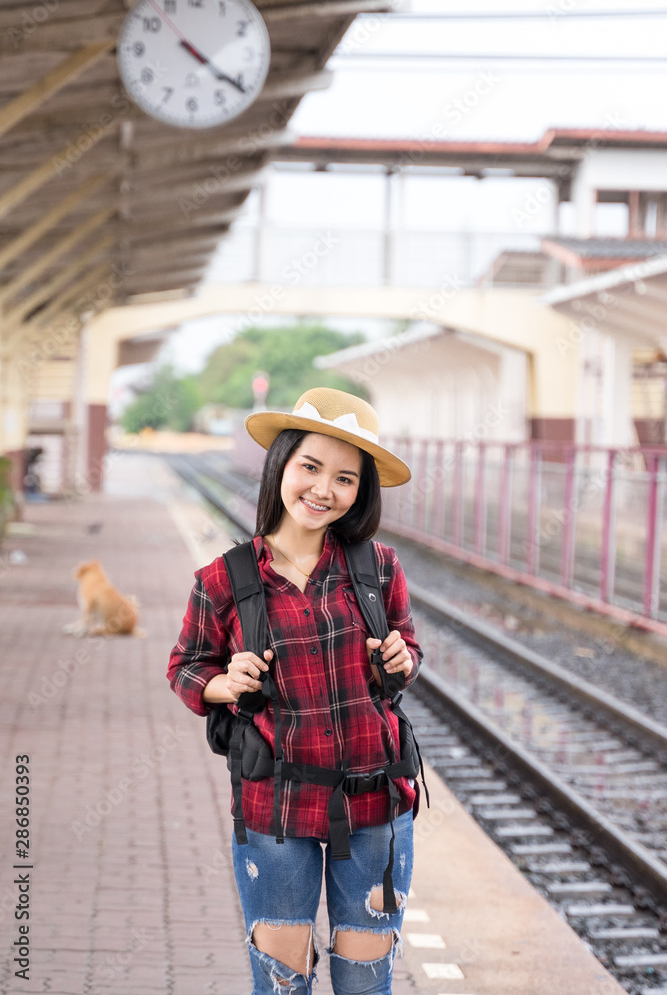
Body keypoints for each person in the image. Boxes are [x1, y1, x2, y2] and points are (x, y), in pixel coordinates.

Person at [168, 387, 423, 995]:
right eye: (310, 467)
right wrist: (221, 684)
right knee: (284, 984)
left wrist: (401, 660)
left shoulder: (378, 567)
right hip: (274, 811)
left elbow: (409, 648)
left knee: (365, 983)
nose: (323, 490)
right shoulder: (223, 579)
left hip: (376, 806)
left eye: (345, 478)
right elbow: (185, 665)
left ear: (361, 492)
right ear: (280, 465)